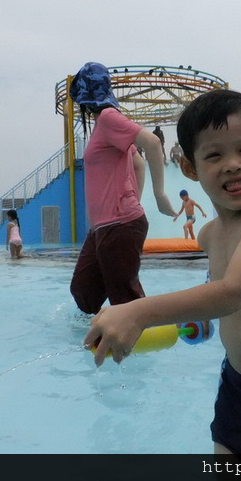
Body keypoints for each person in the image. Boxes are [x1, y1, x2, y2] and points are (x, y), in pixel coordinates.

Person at [84, 89, 241, 457]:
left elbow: (234, 292)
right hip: (236, 385)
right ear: (189, 168)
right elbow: (218, 290)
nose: (232, 164)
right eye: (214, 155)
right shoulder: (209, 235)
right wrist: (201, 322)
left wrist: (138, 312)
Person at [68, 62, 177, 315]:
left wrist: (158, 194)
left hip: (118, 224)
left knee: (125, 301)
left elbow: (152, 143)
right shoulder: (104, 126)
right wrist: (132, 199)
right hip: (103, 227)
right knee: (84, 292)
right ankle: (112, 327)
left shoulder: (108, 118)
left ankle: (143, 330)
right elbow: (137, 163)